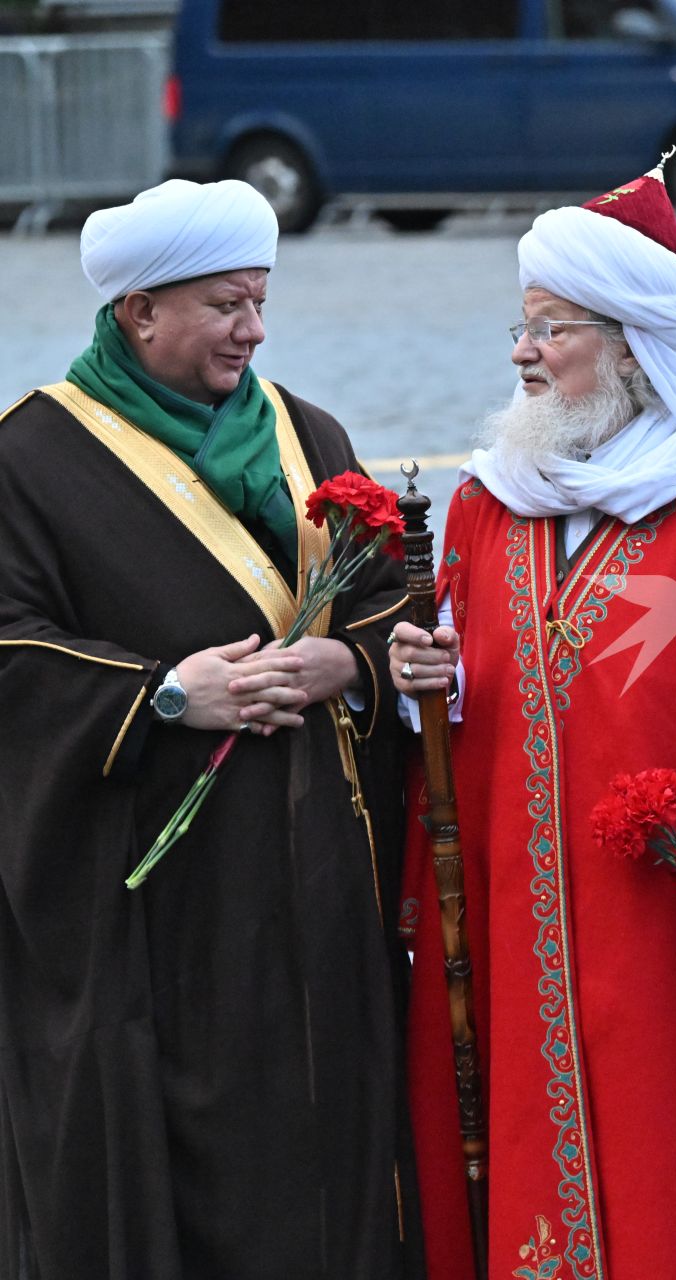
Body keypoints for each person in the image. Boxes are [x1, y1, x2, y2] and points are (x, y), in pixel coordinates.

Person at [390, 161, 676, 1280]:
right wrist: (421, 674)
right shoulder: (488, 499)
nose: (523, 354)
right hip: (518, 895)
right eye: (521, 328)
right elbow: (464, 681)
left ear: (630, 347)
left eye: (550, 329)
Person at [0, 179, 415, 1278]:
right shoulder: (31, 458)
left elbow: (392, 603)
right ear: (140, 311)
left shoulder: (306, 432)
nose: (255, 330)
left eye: (261, 302)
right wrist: (164, 695)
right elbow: (11, 654)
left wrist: (350, 662)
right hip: (156, 897)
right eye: (228, 305)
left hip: (319, 877)